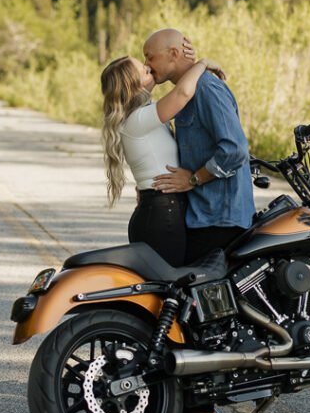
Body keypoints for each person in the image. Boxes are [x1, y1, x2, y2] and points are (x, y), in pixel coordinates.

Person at [100, 52, 224, 266]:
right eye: (144, 70)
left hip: (159, 210)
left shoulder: (142, 116)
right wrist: (202, 63)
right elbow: (182, 93)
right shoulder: (138, 119)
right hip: (161, 214)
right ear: (132, 85)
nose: (150, 67)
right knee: (168, 290)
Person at [144, 28, 255, 263]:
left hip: (219, 218)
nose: (147, 63)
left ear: (174, 53)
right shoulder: (186, 92)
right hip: (202, 215)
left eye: (150, 56)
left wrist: (194, 179)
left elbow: (235, 150)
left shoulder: (206, 89)